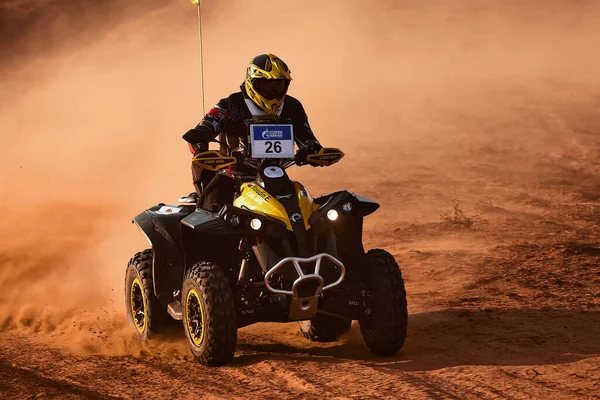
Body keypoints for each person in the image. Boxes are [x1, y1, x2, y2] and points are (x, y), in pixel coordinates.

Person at [182, 53, 322, 211]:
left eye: (279, 85)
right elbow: (203, 128)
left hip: (276, 178)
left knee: (306, 211)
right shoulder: (230, 105)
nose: (273, 92)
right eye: (266, 85)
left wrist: (312, 150)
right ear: (252, 82)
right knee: (210, 212)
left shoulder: (292, 106)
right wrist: (201, 148)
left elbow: (308, 138)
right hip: (232, 178)